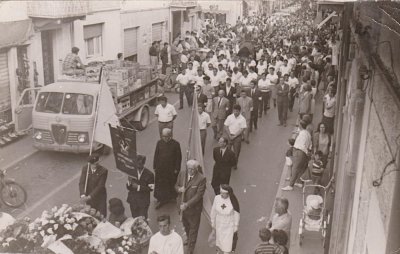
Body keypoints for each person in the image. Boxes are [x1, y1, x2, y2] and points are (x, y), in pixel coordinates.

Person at [175, 160, 206, 254]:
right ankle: (188, 239)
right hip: (181, 208)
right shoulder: (182, 174)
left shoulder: (201, 178)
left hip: (193, 210)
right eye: (189, 169)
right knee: (186, 225)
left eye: (192, 169)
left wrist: (187, 204)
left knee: (193, 229)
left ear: (196, 169)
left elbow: (198, 195)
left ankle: (190, 249)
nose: (190, 171)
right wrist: (179, 189)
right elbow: (176, 185)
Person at [153, 128, 182, 209]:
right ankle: (161, 199)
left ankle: (171, 197)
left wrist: (177, 168)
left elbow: (178, 158)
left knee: (171, 183)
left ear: (170, 136)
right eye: (163, 136)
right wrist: (155, 166)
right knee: (160, 185)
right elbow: (156, 155)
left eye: (166, 136)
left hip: (170, 169)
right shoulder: (159, 143)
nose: (164, 138)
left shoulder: (176, 144)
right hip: (160, 169)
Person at [282, 120, 312, 191]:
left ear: (300, 126)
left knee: (295, 168)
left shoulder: (302, 134)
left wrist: (305, 151)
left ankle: (290, 185)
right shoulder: (307, 133)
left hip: (299, 152)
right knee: (301, 168)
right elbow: (310, 144)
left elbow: (302, 145)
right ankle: (299, 183)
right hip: (303, 153)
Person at [210, 184, 240, 254]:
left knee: (227, 243)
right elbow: (213, 210)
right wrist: (212, 222)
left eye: (223, 193)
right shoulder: (217, 198)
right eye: (220, 192)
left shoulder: (232, 201)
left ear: (228, 193)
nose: (221, 195)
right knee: (219, 241)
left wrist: (236, 225)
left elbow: (236, 214)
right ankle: (219, 251)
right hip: (219, 223)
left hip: (229, 225)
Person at [126, 155, 154, 219]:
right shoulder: (131, 172)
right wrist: (129, 182)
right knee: (135, 218)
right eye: (136, 164)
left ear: (143, 164)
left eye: (139, 164)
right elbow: (128, 187)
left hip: (143, 202)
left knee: (143, 220)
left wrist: (138, 187)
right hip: (133, 201)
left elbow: (151, 188)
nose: (138, 167)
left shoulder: (150, 174)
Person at [224, 104, 247, 170]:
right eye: (234, 111)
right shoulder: (229, 117)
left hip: (237, 137)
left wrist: (235, 136)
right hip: (229, 136)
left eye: (237, 111)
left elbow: (242, 129)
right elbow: (226, 126)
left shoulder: (242, 119)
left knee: (236, 152)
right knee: (227, 151)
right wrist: (229, 135)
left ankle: (234, 164)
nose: (235, 112)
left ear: (239, 111)